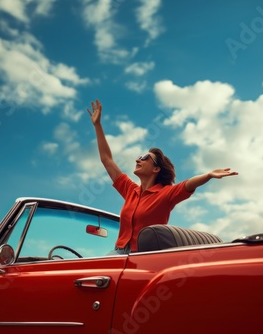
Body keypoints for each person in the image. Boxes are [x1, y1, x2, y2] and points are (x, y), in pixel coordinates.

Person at [87, 99, 238, 254]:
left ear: (156, 169)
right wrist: (97, 125)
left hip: (144, 256)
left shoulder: (166, 194)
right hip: (119, 252)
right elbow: (107, 159)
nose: (138, 159)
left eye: (145, 157)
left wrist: (208, 175)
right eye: (139, 156)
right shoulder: (130, 190)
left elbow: (188, 184)